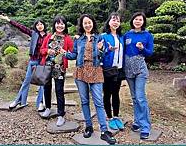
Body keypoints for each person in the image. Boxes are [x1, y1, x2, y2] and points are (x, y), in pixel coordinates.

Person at [65, 14, 116, 145]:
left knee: (98, 101)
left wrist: (100, 50)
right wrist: (64, 53)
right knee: (84, 101)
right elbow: (74, 55)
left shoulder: (99, 38)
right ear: (82, 25)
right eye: (85, 23)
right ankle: (89, 126)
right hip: (81, 71)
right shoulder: (78, 39)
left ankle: (104, 130)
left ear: (93, 23)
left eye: (89, 22)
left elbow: (103, 55)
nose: (88, 25)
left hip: (95, 70)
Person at [0, 15, 46, 111]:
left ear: (44, 25)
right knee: (26, 81)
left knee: (42, 83)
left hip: (42, 62)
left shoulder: (48, 36)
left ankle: (40, 103)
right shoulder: (33, 34)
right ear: (35, 26)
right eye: (37, 25)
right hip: (33, 61)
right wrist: (9, 19)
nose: (40, 26)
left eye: (41, 24)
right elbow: (21, 27)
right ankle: (19, 100)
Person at [124, 12, 154, 140]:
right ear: (132, 21)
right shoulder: (127, 35)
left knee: (141, 97)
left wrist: (142, 48)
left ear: (143, 22)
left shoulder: (147, 35)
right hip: (128, 69)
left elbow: (150, 53)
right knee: (135, 97)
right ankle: (137, 121)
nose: (138, 21)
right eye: (136, 19)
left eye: (140, 20)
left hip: (140, 69)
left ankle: (145, 126)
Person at [40, 15, 73, 127]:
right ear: (54, 24)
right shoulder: (49, 36)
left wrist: (65, 53)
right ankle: (48, 108)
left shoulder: (67, 38)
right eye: (58, 23)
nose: (60, 25)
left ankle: (60, 115)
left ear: (65, 25)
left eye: (62, 23)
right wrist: (47, 51)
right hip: (48, 66)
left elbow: (72, 53)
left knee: (59, 90)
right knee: (47, 87)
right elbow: (41, 50)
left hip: (60, 68)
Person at [101, 12, 125, 131]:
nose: (115, 22)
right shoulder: (104, 36)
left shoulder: (121, 37)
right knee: (107, 93)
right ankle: (109, 117)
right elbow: (99, 52)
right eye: (113, 20)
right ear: (109, 22)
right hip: (107, 69)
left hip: (119, 69)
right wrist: (107, 49)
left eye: (117, 20)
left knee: (116, 93)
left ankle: (116, 116)